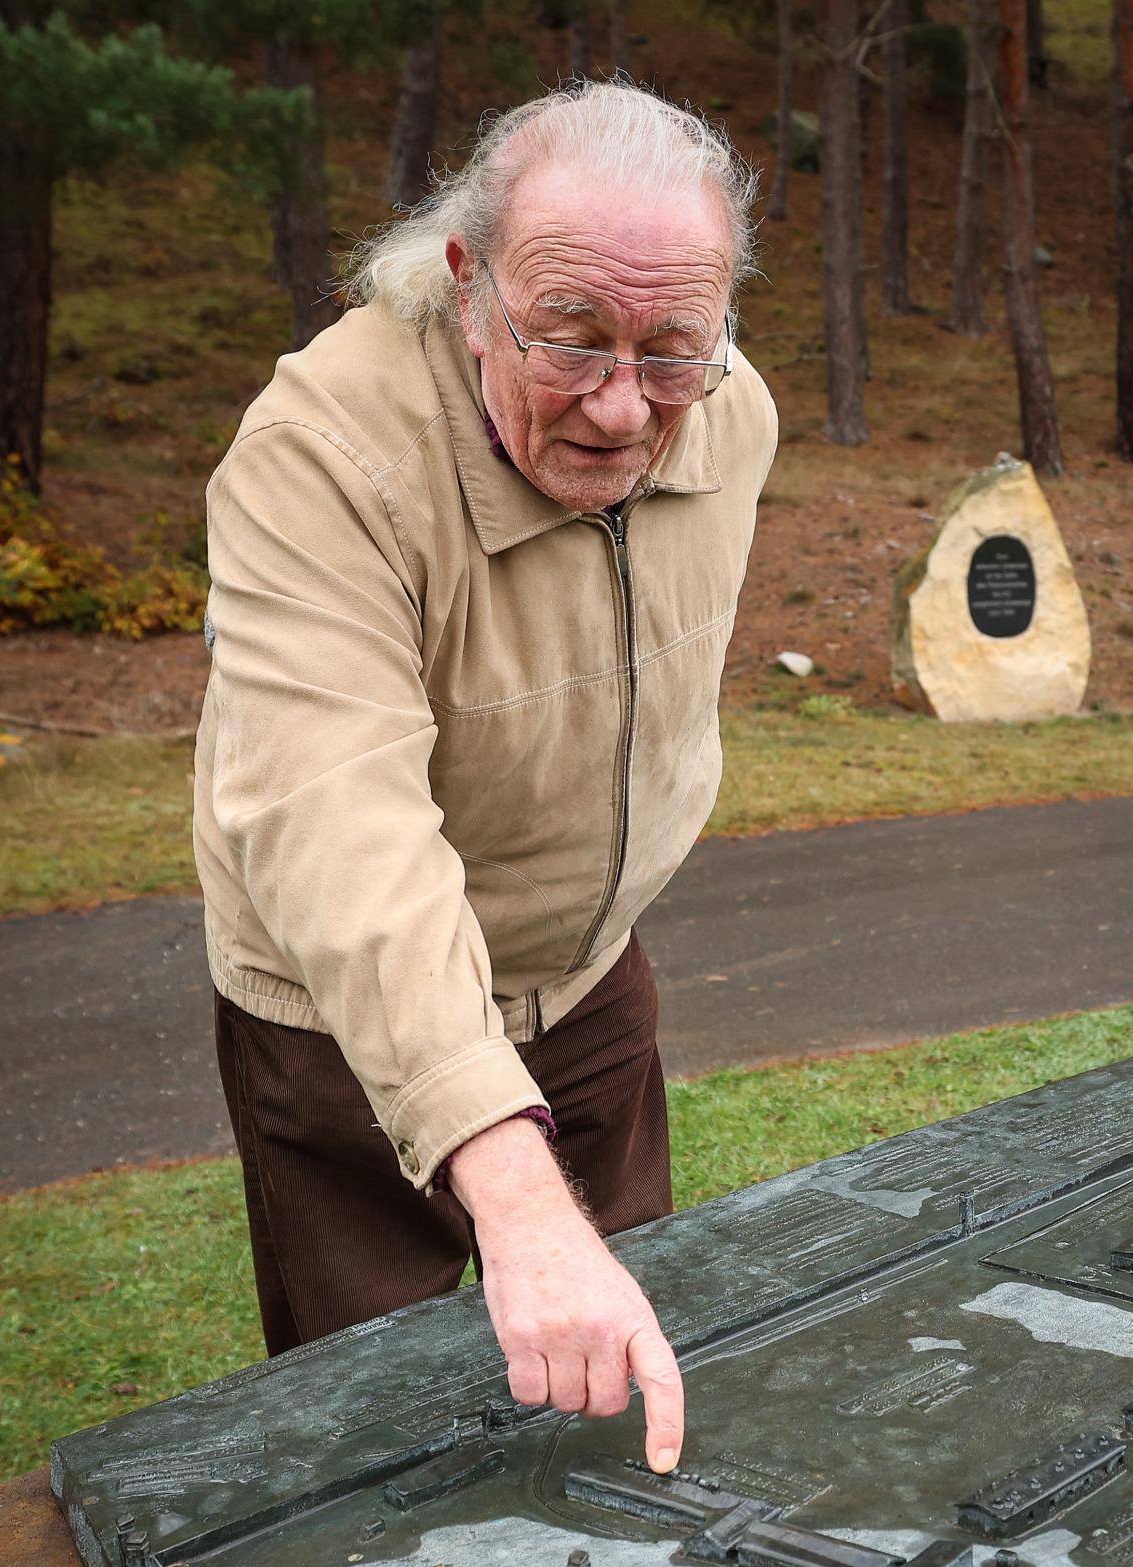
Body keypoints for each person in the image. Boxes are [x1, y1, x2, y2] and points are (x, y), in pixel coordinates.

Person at [191, 82, 773, 1477]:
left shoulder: (728, 411)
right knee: (367, 1445)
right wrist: (504, 1178)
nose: (626, 409)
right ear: (467, 282)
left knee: (630, 1395)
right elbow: (339, 827)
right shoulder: (318, 459)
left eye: (673, 353)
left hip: (589, 985)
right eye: (570, 342)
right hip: (340, 1024)